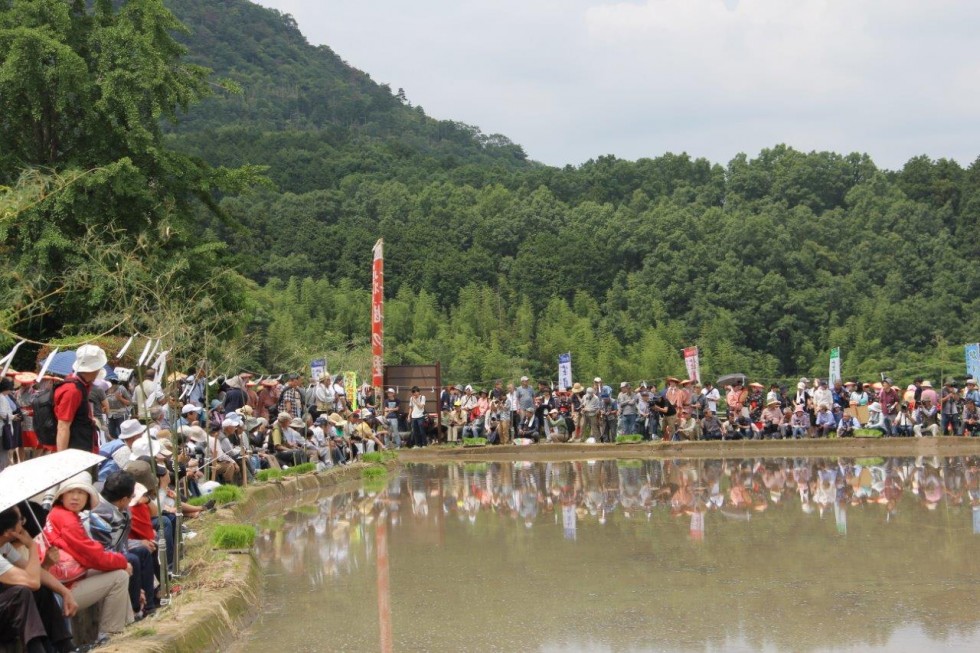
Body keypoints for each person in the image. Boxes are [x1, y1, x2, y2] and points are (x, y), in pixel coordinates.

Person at [42, 473, 134, 643]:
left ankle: (128, 625)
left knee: (118, 569)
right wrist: (122, 561)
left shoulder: (60, 513)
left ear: (87, 497)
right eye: (71, 492)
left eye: (81, 493)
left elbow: (90, 555)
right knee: (119, 576)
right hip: (62, 590)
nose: (76, 497)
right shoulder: (67, 519)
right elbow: (94, 557)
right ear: (62, 495)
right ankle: (110, 636)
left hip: (65, 579)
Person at [0, 504, 76, 653]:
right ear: (10, 532)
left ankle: (66, 648)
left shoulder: (4, 546)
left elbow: (38, 575)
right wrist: (32, 547)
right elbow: (32, 582)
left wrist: (65, 592)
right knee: (21, 592)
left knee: (41, 589)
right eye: (21, 519)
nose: (23, 523)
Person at [90, 472, 157, 619]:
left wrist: (139, 543)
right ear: (124, 499)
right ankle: (135, 609)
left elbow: (122, 540)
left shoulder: (122, 507)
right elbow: (104, 549)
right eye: (132, 497)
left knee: (143, 552)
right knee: (132, 559)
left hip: (119, 549)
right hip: (103, 556)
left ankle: (150, 606)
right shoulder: (98, 514)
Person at [54, 344, 107, 453]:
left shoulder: (83, 385)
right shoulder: (72, 390)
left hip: (85, 446)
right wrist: (61, 458)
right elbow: (63, 426)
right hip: (77, 452)